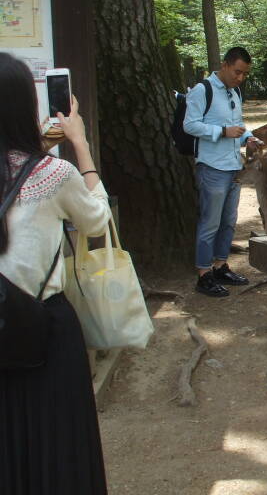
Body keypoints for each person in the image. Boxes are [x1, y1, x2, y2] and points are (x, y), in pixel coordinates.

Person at [0, 52, 111, 493]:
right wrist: (79, 144)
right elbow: (97, 221)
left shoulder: (38, 167)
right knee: (56, 441)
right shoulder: (54, 173)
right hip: (42, 329)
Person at [184, 46, 260, 297]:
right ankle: (203, 274)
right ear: (225, 65)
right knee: (210, 223)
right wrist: (221, 132)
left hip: (233, 166)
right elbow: (190, 125)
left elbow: (238, 125)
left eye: (244, 74)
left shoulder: (235, 92)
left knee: (228, 222)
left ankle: (220, 266)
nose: (240, 78)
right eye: (237, 72)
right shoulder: (202, 90)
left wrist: (248, 138)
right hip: (212, 166)